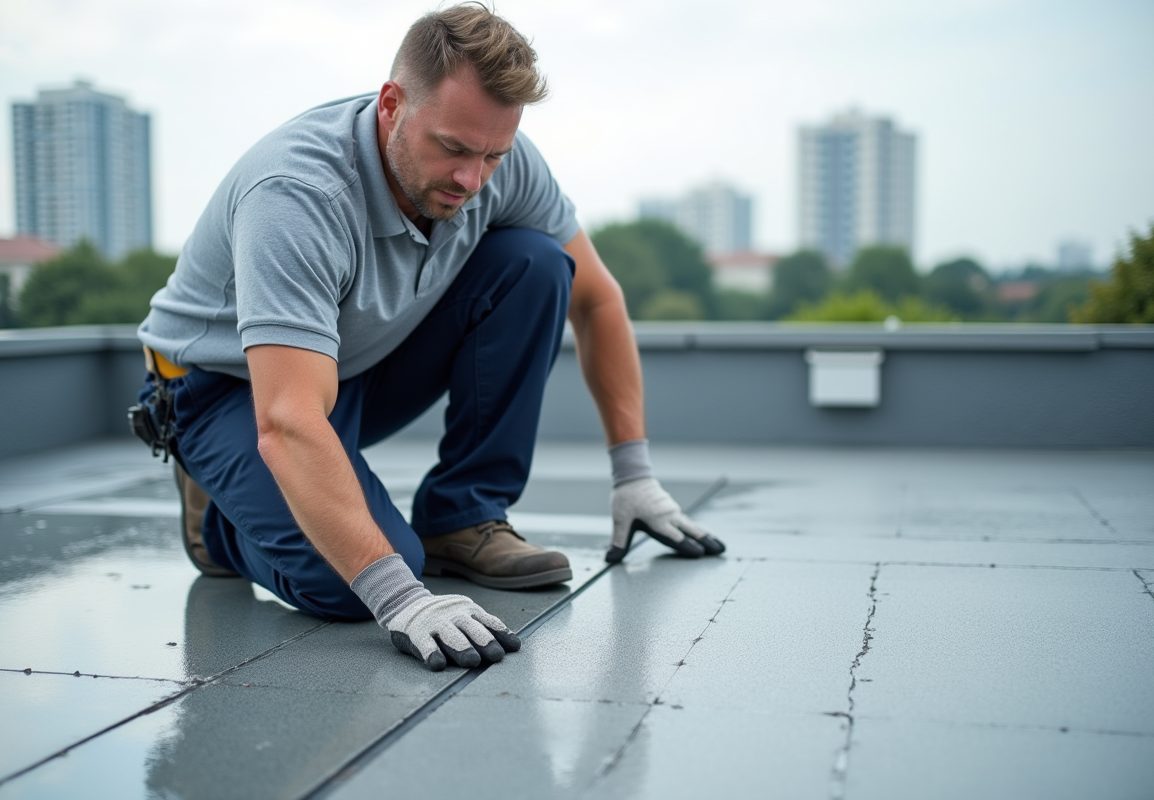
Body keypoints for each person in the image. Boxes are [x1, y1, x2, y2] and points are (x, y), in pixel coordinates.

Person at [134, 3, 725, 672]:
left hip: (359, 362)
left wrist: (634, 475)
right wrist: (401, 597)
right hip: (229, 392)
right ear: (391, 104)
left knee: (534, 263)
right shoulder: (297, 193)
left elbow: (597, 299)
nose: (472, 180)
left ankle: (462, 515)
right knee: (354, 581)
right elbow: (288, 419)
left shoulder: (497, 158)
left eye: (492, 155)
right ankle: (220, 521)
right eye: (453, 148)